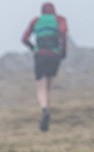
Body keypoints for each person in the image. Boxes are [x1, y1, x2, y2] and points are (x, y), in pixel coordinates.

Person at [21, 2, 68, 132]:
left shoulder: (36, 21)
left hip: (40, 54)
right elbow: (63, 33)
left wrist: (33, 48)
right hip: (54, 54)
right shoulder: (60, 19)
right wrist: (63, 51)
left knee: (40, 86)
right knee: (48, 85)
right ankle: (47, 115)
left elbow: (24, 38)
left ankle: (44, 109)